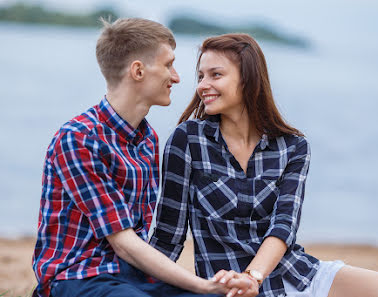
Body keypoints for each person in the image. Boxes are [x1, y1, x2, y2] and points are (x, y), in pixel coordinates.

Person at [149, 33, 378, 297]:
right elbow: (168, 236)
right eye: (201, 76)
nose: (201, 85)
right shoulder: (188, 140)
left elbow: (283, 226)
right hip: (231, 290)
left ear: (247, 80)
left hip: (294, 275)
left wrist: (253, 276)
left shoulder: (293, 147)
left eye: (216, 75)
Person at [32, 18, 251, 297]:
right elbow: (122, 241)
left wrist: (213, 290)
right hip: (77, 278)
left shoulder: (148, 140)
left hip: (132, 278)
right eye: (168, 65)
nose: (176, 77)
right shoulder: (78, 139)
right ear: (138, 70)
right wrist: (203, 284)